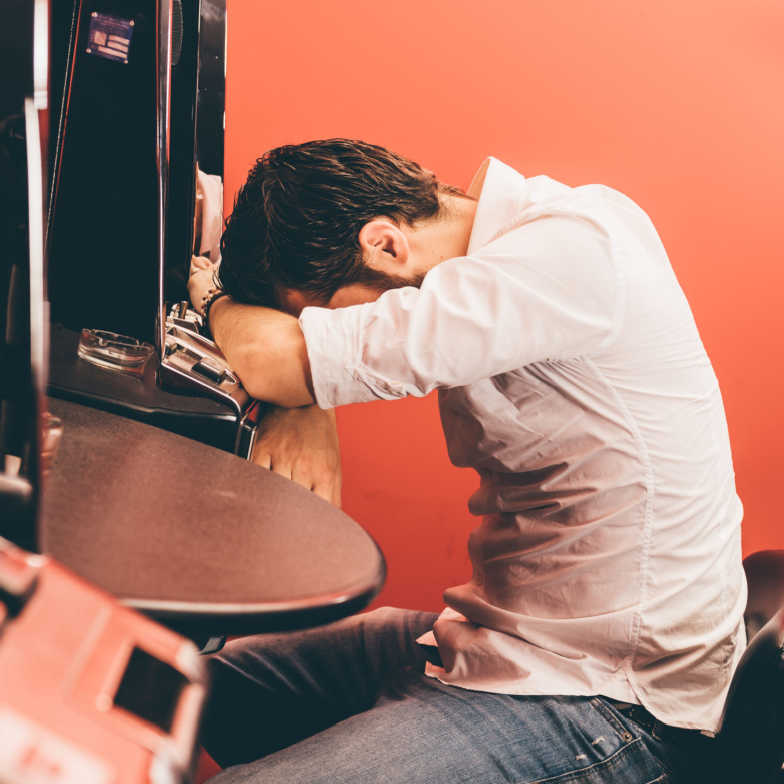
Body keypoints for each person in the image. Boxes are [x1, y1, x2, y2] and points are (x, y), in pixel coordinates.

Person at [188, 139, 745, 783]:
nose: (317, 332)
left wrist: (220, 308)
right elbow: (291, 365)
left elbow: (271, 361)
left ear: (386, 246)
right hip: (504, 643)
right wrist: (309, 401)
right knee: (167, 687)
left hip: (609, 704)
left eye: (317, 319)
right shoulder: (504, 255)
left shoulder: (569, 252)